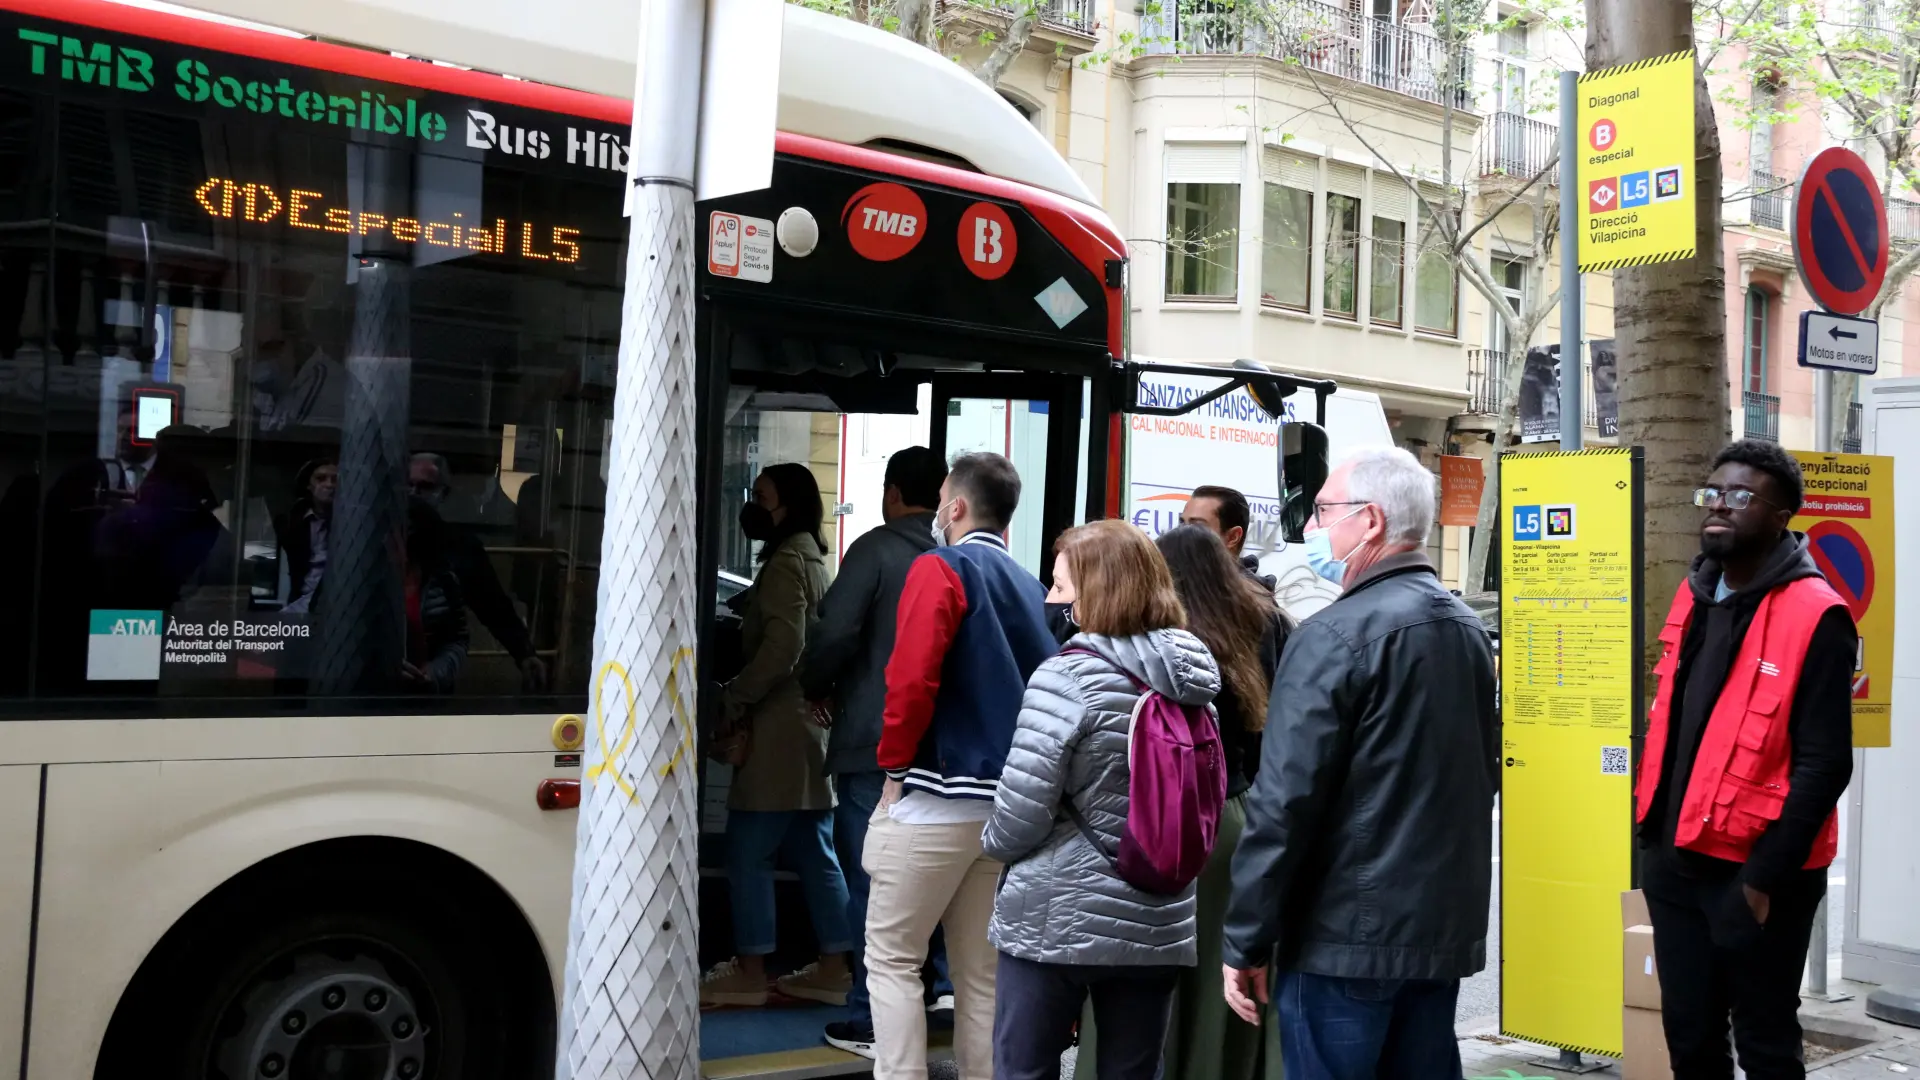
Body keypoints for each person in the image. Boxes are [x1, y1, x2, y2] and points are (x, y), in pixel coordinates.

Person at [1222, 445, 1498, 1079]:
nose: (1313, 529)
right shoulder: (1465, 630)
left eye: (1322, 512)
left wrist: (1246, 938)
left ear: (1370, 521)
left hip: (1343, 938)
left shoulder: (1334, 635)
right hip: (1435, 933)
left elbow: (1285, 801)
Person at [1637, 440, 1854, 1080]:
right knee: (1690, 1035)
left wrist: (1761, 881)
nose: (1719, 508)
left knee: (1763, 1039)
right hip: (1675, 858)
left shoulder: (1819, 615)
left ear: (1781, 514)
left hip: (1757, 875)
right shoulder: (1695, 592)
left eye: (1740, 498)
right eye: (1712, 493)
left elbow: (1825, 765)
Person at [983, 520, 1219, 1080]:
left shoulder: (1064, 678)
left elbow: (1020, 815)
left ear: (1097, 595)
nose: (1049, 600)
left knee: (1025, 1068)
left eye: (1061, 588)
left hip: (1055, 917)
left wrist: (991, 843)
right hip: (1158, 915)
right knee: (1133, 1071)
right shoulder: (1194, 685)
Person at [868, 452, 1054, 1080]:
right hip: (1007, 810)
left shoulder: (940, 568)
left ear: (955, 506)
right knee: (983, 975)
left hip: (932, 798)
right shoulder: (1031, 586)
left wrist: (893, 770)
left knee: (892, 957)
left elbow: (910, 680)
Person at [797, 446, 957, 1055]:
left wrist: (814, 685)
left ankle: (870, 1019)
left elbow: (835, 631)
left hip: (874, 744)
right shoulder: (955, 556)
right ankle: (937, 985)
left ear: (892, 493)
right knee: (936, 876)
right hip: (946, 755)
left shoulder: (876, 549)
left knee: (875, 882)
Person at [702, 463, 855, 1008]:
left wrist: (735, 695)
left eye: (761, 496)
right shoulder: (812, 559)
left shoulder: (786, 565)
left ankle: (749, 970)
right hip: (807, 733)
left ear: (786, 504)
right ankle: (835, 966)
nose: (753, 505)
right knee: (816, 852)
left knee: (746, 853)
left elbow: (782, 648)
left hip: (778, 731)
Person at [1150, 523, 1290, 1080]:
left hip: (1171, 820)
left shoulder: (1162, 636)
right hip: (1240, 811)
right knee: (1223, 976)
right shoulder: (1263, 621)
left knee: (1156, 979)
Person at [408, 453, 549, 690]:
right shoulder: (374, 541)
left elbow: (493, 604)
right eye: (408, 485)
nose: (413, 494)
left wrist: (524, 652)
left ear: (442, 494)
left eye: (424, 487)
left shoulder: (458, 548)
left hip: (431, 677)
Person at [1182, 485, 1275, 592]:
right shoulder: (1171, 587)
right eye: (1182, 523)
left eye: (1197, 526)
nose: (1182, 533)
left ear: (1233, 537)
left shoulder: (1253, 604)